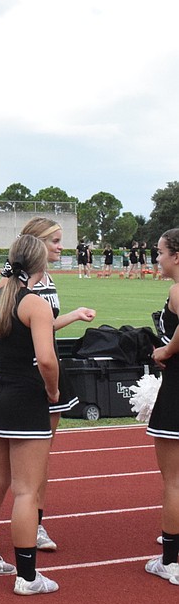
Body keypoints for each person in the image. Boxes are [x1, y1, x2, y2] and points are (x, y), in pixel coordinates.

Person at [0, 216, 95, 551]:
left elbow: (43, 325)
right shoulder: (12, 282)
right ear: (35, 245)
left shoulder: (46, 280)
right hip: (31, 381)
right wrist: (13, 370)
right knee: (21, 473)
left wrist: (72, 316)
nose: (60, 246)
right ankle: (28, 539)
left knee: (40, 460)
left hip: (39, 375)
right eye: (54, 240)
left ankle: (32, 526)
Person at [0, 234, 60, 595]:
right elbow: (48, 360)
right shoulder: (35, 305)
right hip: (25, 399)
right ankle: (27, 576)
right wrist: (51, 391)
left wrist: (2, 370)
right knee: (26, 491)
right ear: (42, 266)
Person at [145, 229, 179, 585]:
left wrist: (166, 351)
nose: (158, 258)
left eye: (160, 252)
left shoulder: (177, 290)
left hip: (177, 392)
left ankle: (170, 561)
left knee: (174, 481)